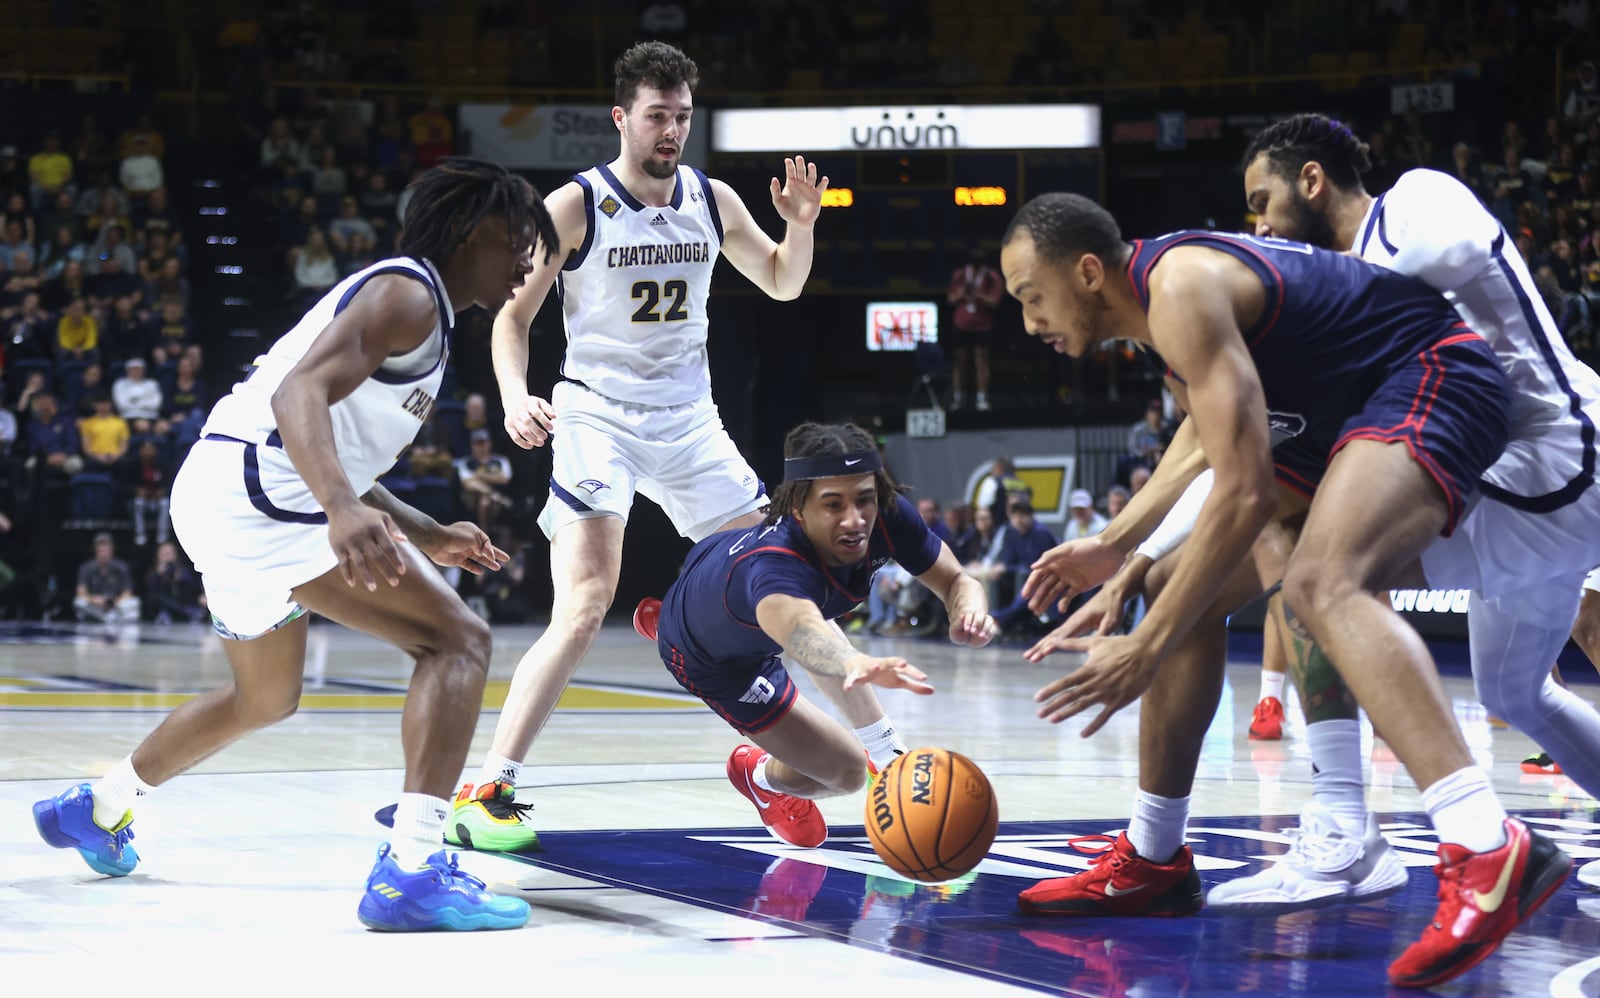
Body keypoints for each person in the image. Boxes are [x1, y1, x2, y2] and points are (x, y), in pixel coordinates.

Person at [998, 191, 1569, 989]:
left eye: (1032, 298)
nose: (1030, 324)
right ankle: (1153, 857)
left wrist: (1146, 644)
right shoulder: (1168, 308)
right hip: (1350, 405)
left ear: (1087, 271)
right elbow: (1202, 437)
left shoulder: (1182, 286)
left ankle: (1483, 841)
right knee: (1174, 581)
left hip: (1434, 373)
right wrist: (1121, 549)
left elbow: (1246, 491)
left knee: (1322, 580)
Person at [31, 157, 561, 932]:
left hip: (235, 489)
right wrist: (340, 507)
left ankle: (99, 806)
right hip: (257, 492)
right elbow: (295, 397)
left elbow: (332, 446)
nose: (527, 260)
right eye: (519, 238)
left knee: (266, 698)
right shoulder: (408, 292)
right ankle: (410, 871)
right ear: (473, 229)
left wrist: (428, 531)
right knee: (458, 643)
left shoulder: (425, 314)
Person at [455, 40, 837, 853]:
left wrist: (798, 227)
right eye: (658, 115)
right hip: (597, 416)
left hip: (690, 418)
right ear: (623, 117)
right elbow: (512, 319)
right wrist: (517, 394)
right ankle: (487, 785)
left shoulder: (710, 195)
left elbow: (781, 280)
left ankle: (764, 771)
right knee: (588, 602)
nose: (672, 130)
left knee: (775, 584)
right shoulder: (576, 205)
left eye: (683, 117)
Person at [647, 422, 995, 846]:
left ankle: (889, 754)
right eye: (833, 505)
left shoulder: (885, 515)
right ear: (798, 508)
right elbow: (803, 636)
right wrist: (854, 661)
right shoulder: (775, 566)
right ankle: (757, 776)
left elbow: (958, 578)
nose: (854, 520)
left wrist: (969, 611)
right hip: (714, 661)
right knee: (847, 773)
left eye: (864, 499)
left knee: (807, 611)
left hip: (724, 568)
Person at [946, 247, 1006, 411]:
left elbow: (994, 302)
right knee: (960, 362)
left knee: (981, 361)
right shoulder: (959, 275)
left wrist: (979, 295)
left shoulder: (992, 276)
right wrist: (962, 294)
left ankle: (982, 398)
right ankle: (958, 398)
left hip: (982, 325)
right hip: (961, 323)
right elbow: (951, 298)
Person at [73, 532, 140, 623]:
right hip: (95, 606)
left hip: (115, 606)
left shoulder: (122, 567)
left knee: (134, 602)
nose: (104, 554)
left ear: (112, 550)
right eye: (100, 550)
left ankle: (110, 618)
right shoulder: (86, 568)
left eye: (106, 550)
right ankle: (103, 618)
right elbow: (81, 591)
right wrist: (94, 600)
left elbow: (127, 592)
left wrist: (114, 602)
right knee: (79, 602)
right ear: (95, 551)